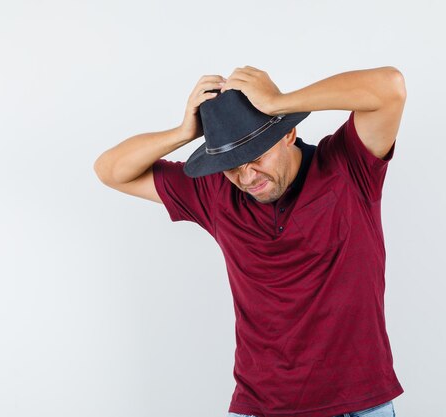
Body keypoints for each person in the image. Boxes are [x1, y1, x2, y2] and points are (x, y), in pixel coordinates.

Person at [94, 65, 407, 417]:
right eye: (232, 165)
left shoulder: (347, 167)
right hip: (260, 407)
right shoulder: (214, 192)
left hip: (359, 404)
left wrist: (280, 102)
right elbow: (110, 170)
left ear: (287, 134)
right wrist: (184, 131)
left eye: (256, 157)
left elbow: (389, 88)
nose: (247, 176)